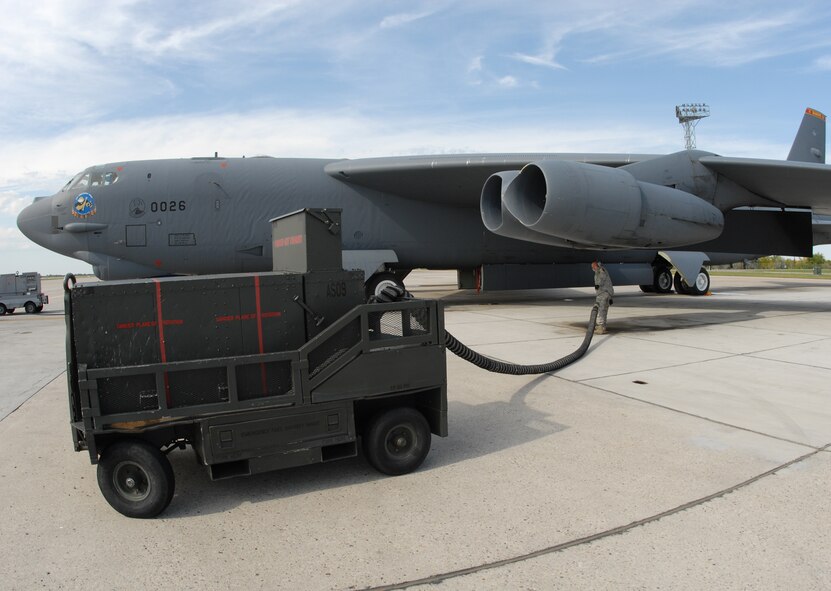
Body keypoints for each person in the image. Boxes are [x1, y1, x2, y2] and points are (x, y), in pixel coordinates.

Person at [592, 260, 614, 334]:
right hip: (604, 294)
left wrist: (598, 284)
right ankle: (602, 326)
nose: (592, 268)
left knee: (601, 310)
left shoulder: (601, 271)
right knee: (603, 310)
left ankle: (601, 327)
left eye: (593, 266)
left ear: (596, 266)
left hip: (604, 294)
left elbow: (602, 278)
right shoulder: (598, 271)